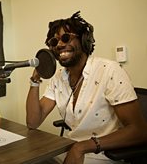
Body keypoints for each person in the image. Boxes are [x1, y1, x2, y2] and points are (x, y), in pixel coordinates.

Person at [26, 11, 147, 164]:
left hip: (105, 154)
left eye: (66, 38)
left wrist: (82, 147)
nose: (60, 45)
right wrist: (35, 80)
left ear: (84, 40)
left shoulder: (109, 71)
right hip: (72, 149)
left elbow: (139, 131)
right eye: (54, 42)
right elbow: (33, 122)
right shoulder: (59, 77)